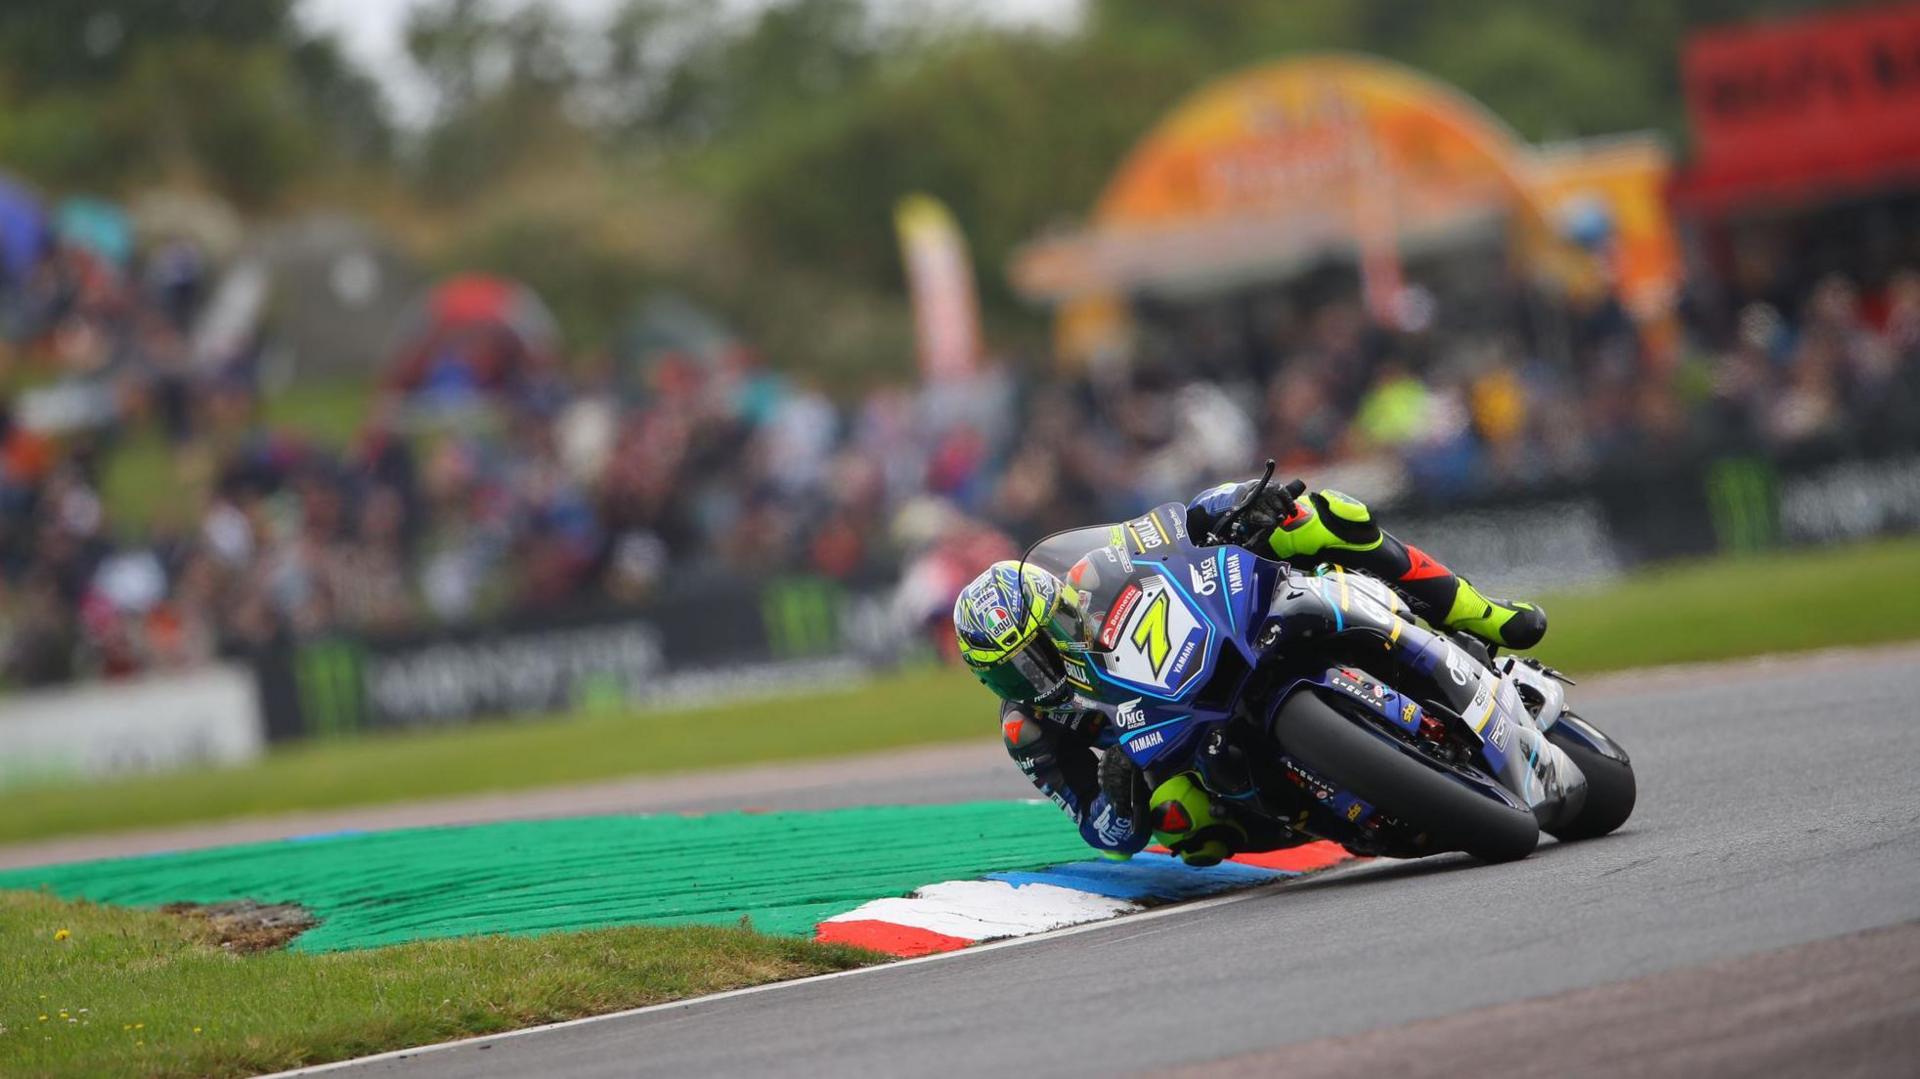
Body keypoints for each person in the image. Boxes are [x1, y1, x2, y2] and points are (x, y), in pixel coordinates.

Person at [952, 477, 1547, 863]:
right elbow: (1103, 833)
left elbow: (1170, 527)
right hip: (1180, 746)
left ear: (1059, 606)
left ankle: (1485, 614)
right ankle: (1331, 810)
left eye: (1043, 643)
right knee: (1180, 821)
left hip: (1229, 636)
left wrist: (1235, 506)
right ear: (993, 681)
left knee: (1319, 516)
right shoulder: (1027, 730)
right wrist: (1116, 793)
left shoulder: (1090, 578)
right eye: (1018, 670)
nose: (1040, 671)